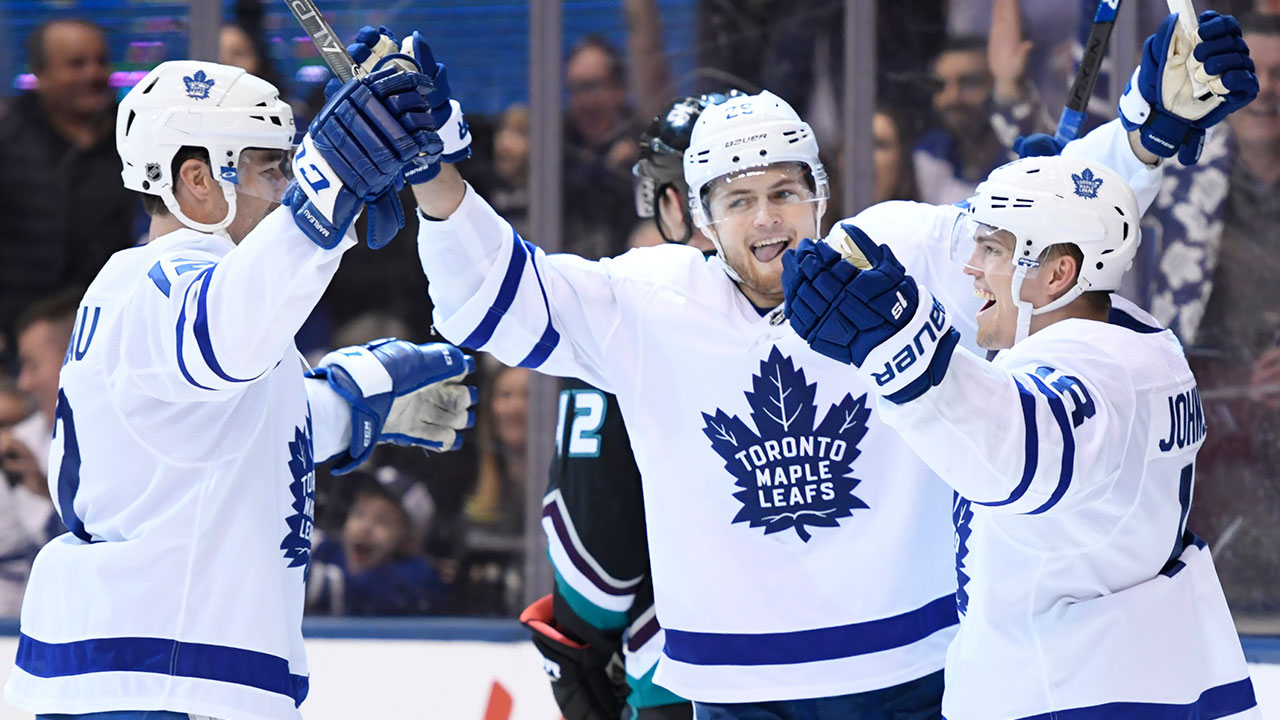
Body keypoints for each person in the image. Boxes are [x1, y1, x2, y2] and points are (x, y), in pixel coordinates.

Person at [390, 15, 1219, 713]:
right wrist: (435, 175)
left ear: (820, 193)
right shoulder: (647, 298)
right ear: (704, 220)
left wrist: (1146, 136)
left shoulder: (896, 252)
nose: (769, 219)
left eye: (786, 191)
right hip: (728, 683)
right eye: (739, 200)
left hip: (914, 672)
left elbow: (1035, 226)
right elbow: (493, 291)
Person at [5, 58, 476, 720]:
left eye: (291, 169)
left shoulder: (170, 298)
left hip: (161, 669)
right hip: (161, 677)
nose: (285, 189)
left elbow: (237, 433)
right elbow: (230, 327)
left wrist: (355, 401)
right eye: (271, 168)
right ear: (196, 180)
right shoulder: (163, 285)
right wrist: (331, 185)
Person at [781, 153, 1259, 718]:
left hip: (1067, 695)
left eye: (994, 250)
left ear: (1057, 274)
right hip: (1134, 682)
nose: (971, 267)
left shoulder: (1096, 382)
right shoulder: (1138, 341)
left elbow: (1015, 447)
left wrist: (896, 348)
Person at [520, 94, 732, 720]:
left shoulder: (633, 311)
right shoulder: (853, 309)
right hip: (860, 658)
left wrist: (580, 636)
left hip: (680, 665)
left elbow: (598, 567)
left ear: (673, 201)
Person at [0, 19, 139, 356]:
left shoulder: (135, 137)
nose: (93, 74)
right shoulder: (7, 136)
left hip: (112, 339)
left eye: (101, 61)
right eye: (76, 64)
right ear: (40, 73)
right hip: (17, 343)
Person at [307, 469, 448, 616]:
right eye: (359, 513)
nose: (365, 527)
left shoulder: (415, 577)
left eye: (383, 521)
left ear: (409, 541)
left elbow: (352, 592)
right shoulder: (333, 550)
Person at [912, 37, 1014, 205]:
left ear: (997, 86)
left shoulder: (1021, 160)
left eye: (968, 83)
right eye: (940, 86)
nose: (952, 98)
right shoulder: (929, 154)